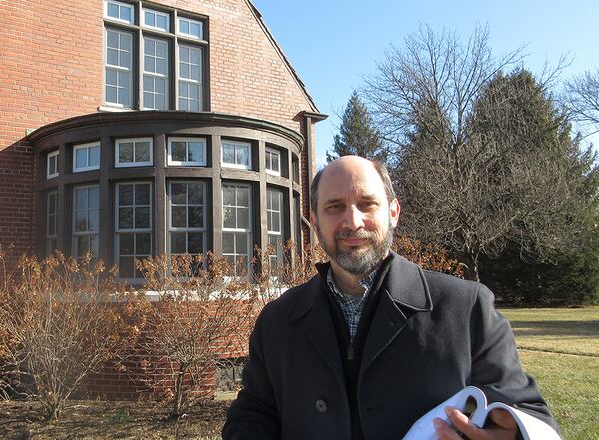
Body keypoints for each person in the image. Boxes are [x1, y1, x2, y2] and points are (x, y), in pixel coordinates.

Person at [222, 156, 559, 439]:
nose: (352, 222)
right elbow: (253, 413)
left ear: (393, 212)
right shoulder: (277, 320)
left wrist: (511, 434)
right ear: (314, 220)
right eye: (334, 207)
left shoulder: (467, 309)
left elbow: (530, 415)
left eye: (367, 204)